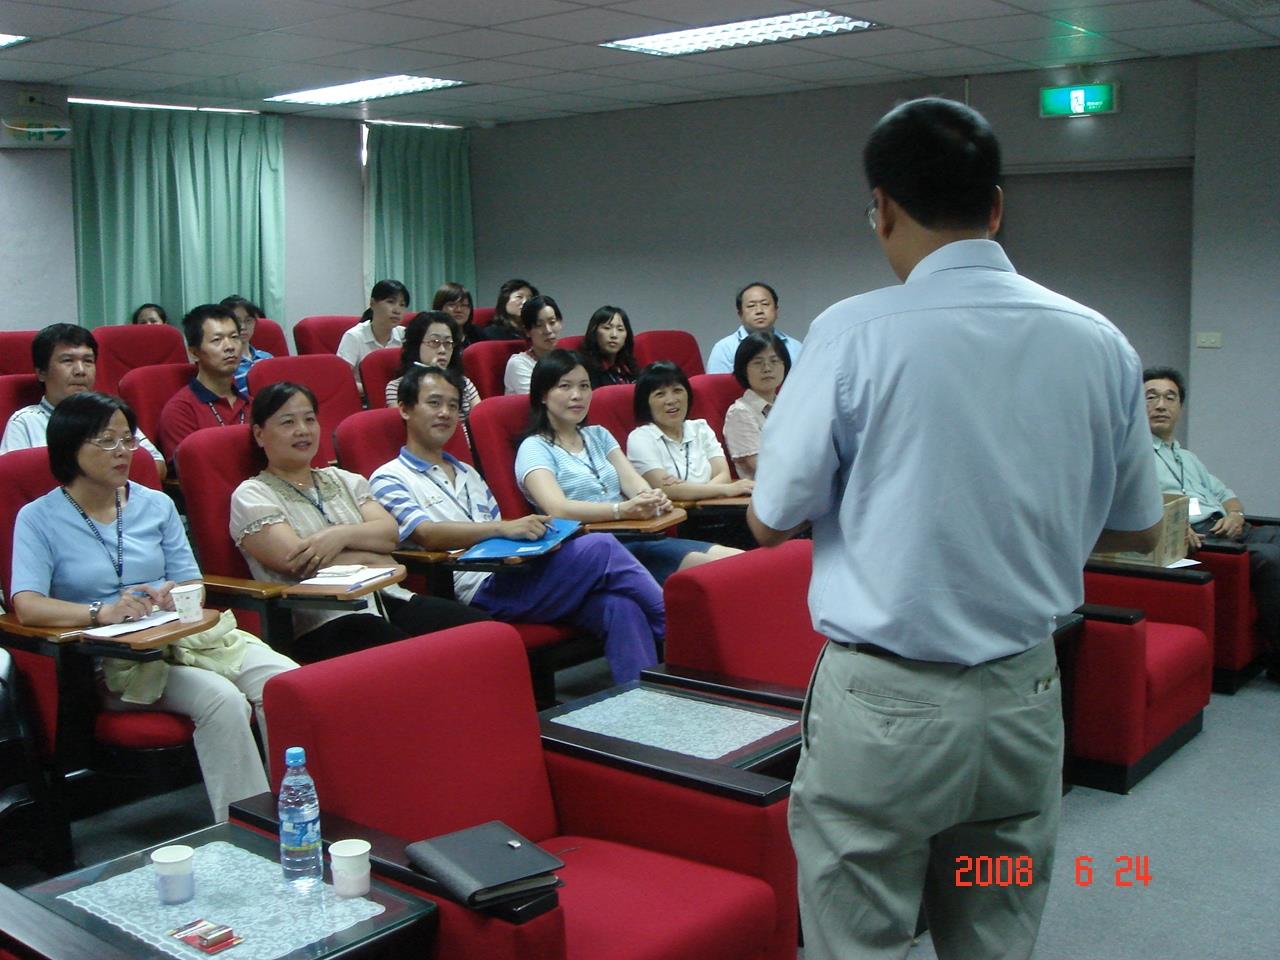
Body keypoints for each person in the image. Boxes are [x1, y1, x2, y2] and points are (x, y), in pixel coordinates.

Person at [746, 98, 1162, 960]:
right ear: (997, 206)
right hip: (1025, 705)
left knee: (859, 932)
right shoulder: (1101, 342)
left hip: (885, 719)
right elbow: (1133, 530)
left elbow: (770, 515)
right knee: (995, 916)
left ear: (884, 206)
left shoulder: (853, 333)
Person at [9, 392, 298, 822]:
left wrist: (173, 594)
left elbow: (190, 581)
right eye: (108, 442)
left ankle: (302, 808)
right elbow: (27, 605)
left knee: (288, 684)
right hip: (113, 661)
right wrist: (99, 613)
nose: (124, 452)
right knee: (221, 700)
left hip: (184, 638)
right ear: (71, 447)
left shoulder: (155, 504)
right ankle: (252, 830)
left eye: (128, 440)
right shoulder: (38, 517)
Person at [370, 364, 665, 682]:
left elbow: (498, 531)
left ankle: (645, 706)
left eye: (453, 406)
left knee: (620, 606)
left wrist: (528, 542)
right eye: (434, 403)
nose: (445, 413)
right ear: (404, 408)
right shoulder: (389, 477)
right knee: (601, 547)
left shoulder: (468, 473)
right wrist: (502, 529)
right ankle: (672, 627)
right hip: (477, 588)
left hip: (514, 572)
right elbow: (426, 534)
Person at [230, 382, 486, 662]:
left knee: (482, 633)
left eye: (309, 419)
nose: (302, 430)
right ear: (259, 434)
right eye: (288, 422)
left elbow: (388, 534)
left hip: (389, 599)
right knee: (416, 660)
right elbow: (298, 560)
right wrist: (373, 558)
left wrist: (338, 537)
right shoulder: (252, 495)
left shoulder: (345, 480)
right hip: (322, 620)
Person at [515, 350, 739, 584]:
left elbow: (633, 481)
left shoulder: (598, 435)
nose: (577, 395)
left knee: (737, 563)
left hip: (634, 538)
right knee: (715, 579)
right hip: (586, 551)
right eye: (565, 386)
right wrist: (621, 510)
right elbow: (557, 509)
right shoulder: (534, 447)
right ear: (542, 394)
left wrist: (651, 497)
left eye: (584, 386)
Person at [1144, 365, 1280, 677]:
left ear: (1180, 407)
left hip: (1227, 528)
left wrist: (1236, 514)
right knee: (1271, 558)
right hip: (1196, 539)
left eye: (1170, 398)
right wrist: (1175, 526)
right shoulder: (1132, 455)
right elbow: (1131, 506)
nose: (1161, 405)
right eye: (1150, 397)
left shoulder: (1186, 456)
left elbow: (1225, 493)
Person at [1, 324, 166, 480]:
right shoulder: (25, 422)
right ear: (42, 373)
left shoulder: (113, 414)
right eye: (67, 361)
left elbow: (157, 467)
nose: (80, 371)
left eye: (88, 361)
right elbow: (13, 482)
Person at [627, 361, 753, 501]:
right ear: (645, 403)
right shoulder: (641, 438)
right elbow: (665, 489)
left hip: (713, 509)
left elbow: (724, 474)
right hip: (674, 517)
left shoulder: (700, 428)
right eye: (660, 394)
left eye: (677, 390)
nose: (671, 400)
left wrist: (690, 493)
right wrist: (724, 489)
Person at [157, 304, 250, 464]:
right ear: (194, 353)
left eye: (234, 337)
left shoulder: (252, 405)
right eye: (217, 340)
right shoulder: (181, 411)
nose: (229, 347)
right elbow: (189, 472)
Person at [722, 330, 790, 480]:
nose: (767, 368)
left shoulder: (789, 408)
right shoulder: (740, 413)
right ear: (744, 369)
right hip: (766, 496)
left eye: (774, 361)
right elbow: (764, 468)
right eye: (758, 363)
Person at [385, 311, 481, 416]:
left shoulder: (464, 382)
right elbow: (407, 426)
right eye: (434, 342)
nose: (442, 350)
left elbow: (480, 420)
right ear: (416, 346)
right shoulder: (396, 387)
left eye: (448, 343)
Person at [705, 282, 803, 374]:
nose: (759, 310)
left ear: (776, 310)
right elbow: (718, 389)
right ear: (740, 314)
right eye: (751, 306)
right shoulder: (724, 349)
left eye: (765, 304)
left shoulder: (796, 347)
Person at [337, 279, 408, 393]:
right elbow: (341, 381)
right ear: (372, 303)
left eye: (402, 304)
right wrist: (378, 390)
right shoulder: (354, 337)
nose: (397, 310)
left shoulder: (405, 335)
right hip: (365, 402)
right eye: (390, 302)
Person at [504, 295, 563, 395]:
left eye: (552, 322)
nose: (548, 330)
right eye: (539, 325)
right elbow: (538, 402)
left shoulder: (566, 359)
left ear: (560, 323)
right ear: (527, 331)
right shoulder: (519, 364)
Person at [220, 295, 272, 395]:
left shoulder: (268, 358)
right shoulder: (224, 362)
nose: (243, 327)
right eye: (236, 321)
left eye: (248, 321)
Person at [581, 305, 638, 388]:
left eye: (620, 329)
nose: (614, 335)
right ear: (594, 332)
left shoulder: (629, 368)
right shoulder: (586, 371)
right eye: (607, 328)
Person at [432, 282, 478, 347]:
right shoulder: (430, 337)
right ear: (439, 308)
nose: (459, 310)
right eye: (452, 305)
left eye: (464, 305)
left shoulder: (476, 334)